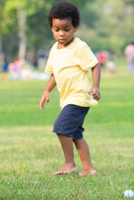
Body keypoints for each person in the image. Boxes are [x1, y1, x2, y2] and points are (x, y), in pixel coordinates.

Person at [39, 2, 101, 176]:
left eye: (66, 29)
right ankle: (88, 168)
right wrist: (46, 91)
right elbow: (54, 74)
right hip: (66, 99)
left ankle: (69, 163)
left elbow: (95, 66)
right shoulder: (54, 49)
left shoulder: (80, 47)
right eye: (56, 29)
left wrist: (95, 86)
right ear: (51, 28)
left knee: (61, 127)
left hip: (79, 97)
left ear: (75, 27)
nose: (61, 33)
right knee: (75, 134)